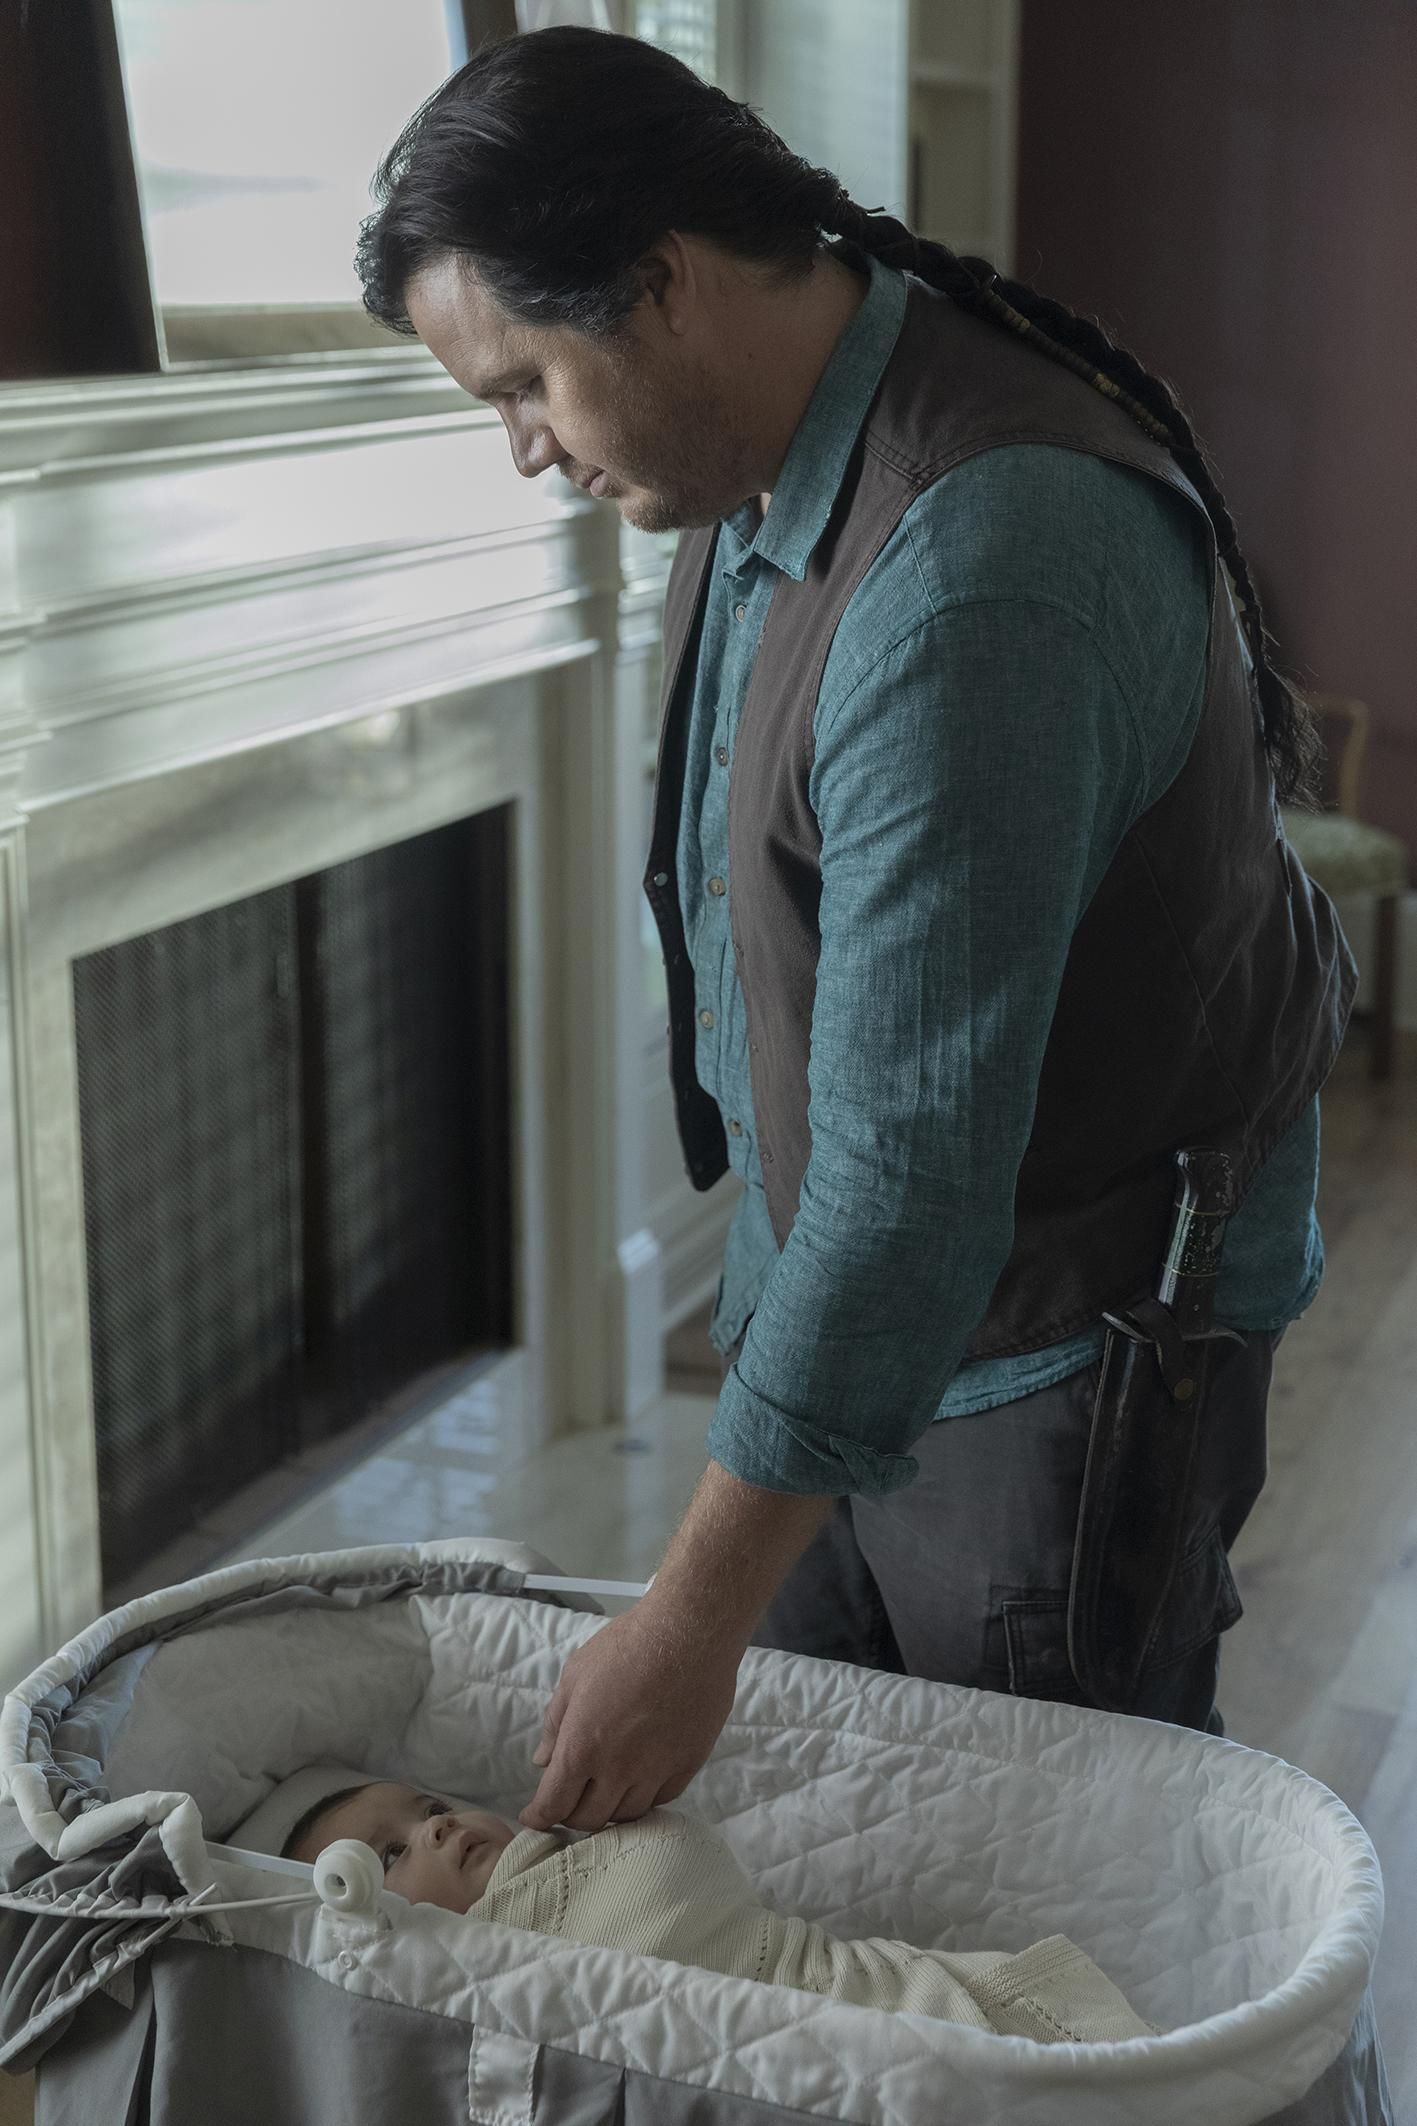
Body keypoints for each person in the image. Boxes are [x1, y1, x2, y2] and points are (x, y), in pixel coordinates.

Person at [353, 28, 1354, 1833]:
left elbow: (909, 1179)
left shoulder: (979, 567)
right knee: (846, 1825)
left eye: (525, 385)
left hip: (1065, 1334)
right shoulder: (756, 453)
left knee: (1036, 1882)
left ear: (662, 283)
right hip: (891, 1288)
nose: (523, 452)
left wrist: (685, 1616)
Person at [269, 1771, 1153, 2044]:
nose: (434, 1828)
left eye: (428, 1808)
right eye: (390, 1853)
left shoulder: (596, 1850)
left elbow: (675, 1870)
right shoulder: (460, 1998)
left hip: (884, 1998)